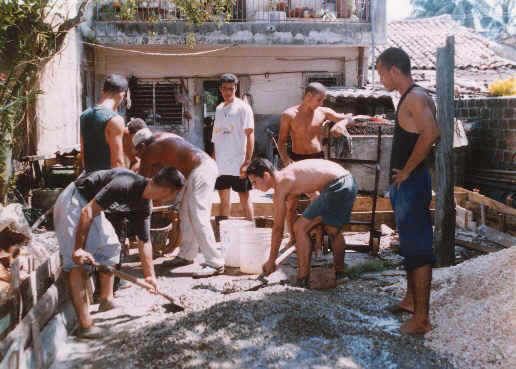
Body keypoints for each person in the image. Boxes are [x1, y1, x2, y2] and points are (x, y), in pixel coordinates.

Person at [53, 167, 185, 339]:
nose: (172, 199)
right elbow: (87, 212)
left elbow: (144, 241)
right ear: (167, 190)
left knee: (111, 246)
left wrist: (150, 276)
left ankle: (106, 300)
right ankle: (84, 325)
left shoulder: (145, 202)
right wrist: (78, 248)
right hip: (75, 199)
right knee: (78, 262)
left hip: (91, 205)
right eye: (174, 194)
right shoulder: (124, 184)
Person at [376, 47, 440, 334]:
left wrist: (407, 170)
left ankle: (422, 319)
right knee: (410, 244)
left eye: (380, 73)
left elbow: (431, 133)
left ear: (393, 70)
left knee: (419, 248)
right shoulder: (410, 96)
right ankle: (411, 300)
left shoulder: (415, 96)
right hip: (407, 184)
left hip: (412, 183)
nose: (380, 79)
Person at [246, 158, 357, 287]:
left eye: (254, 182)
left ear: (266, 175)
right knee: (333, 230)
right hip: (348, 181)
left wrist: (271, 260)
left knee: (300, 228)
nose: (254, 187)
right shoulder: (289, 174)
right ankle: (340, 275)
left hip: (337, 185)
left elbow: (278, 228)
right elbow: (314, 193)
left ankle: (302, 279)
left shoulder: (282, 185)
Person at [131, 127, 225, 278]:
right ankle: (187, 254)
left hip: (202, 169)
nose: (140, 157)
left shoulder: (150, 148)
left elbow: (142, 179)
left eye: (139, 153)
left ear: (142, 146)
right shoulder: (163, 139)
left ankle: (215, 262)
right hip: (197, 170)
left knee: (198, 214)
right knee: (185, 213)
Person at [278, 82, 356, 247]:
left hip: (318, 161)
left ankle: (319, 242)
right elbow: (282, 141)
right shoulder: (289, 114)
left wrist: (341, 123)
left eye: (323, 100)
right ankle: (293, 238)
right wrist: (286, 160)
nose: (322, 103)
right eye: (319, 100)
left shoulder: (323, 112)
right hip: (297, 161)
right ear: (308, 96)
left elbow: (349, 117)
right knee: (291, 204)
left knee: (319, 201)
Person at [212, 73, 255, 221]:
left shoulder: (243, 108)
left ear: (235, 88)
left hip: (238, 164)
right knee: (224, 202)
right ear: (220, 89)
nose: (228, 92)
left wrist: (247, 162)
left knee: (244, 200)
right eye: (225, 89)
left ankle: (251, 234)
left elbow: (250, 135)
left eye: (231, 88)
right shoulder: (218, 109)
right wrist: (214, 160)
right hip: (221, 165)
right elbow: (215, 137)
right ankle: (225, 236)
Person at [80, 74, 128, 172]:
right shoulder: (115, 119)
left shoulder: (84, 115)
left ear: (102, 91)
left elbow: (83, 154)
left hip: (89, 178)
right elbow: (118, 162)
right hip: (107, 180)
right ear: (122, 95)